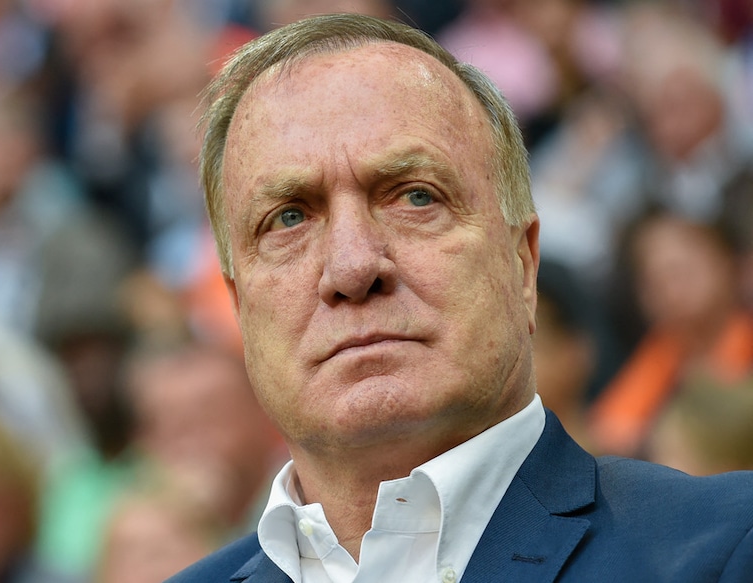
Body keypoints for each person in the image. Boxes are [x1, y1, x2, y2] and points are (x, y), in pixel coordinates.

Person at [169, 13, 753, 583]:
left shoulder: (729, 547)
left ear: (523, 264)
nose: (352, 267)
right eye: (289, 218)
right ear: (239, 307)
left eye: (415, 197)